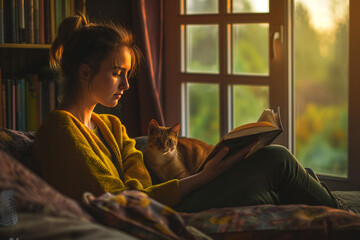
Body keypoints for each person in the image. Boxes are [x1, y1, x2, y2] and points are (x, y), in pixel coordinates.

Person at [33, 14, 339, 213]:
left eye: (127, 74)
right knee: (278, 160)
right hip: (161, 211)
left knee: (280, 185)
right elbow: (117, 202)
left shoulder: (110, 125)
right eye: (116, 73)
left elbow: (136, 173)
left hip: (163, 197)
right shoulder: (60, 130)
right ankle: (349, 218)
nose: (126, 84)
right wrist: (206, 176)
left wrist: (149, 181)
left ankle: (338, 209)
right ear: (85, 73)